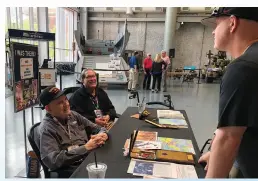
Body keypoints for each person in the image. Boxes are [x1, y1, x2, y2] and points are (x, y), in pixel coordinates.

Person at [198, 7, 258, 178]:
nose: (213, 32)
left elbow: (228, 139)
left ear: (232, 23)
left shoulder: (243, 68)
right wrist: (216, 154)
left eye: (216, 25)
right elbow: (246, 121)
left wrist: (221, 155)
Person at [37, 86, 109, 178]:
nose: (66, 104)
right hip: (71, 170)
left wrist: (102, 135)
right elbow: (53, 161)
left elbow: (98, 128)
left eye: (66, 99)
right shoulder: (47, 129)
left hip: (87, 160)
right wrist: (86, 147)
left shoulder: (73, 115)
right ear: (48, 108)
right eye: (60, 103)